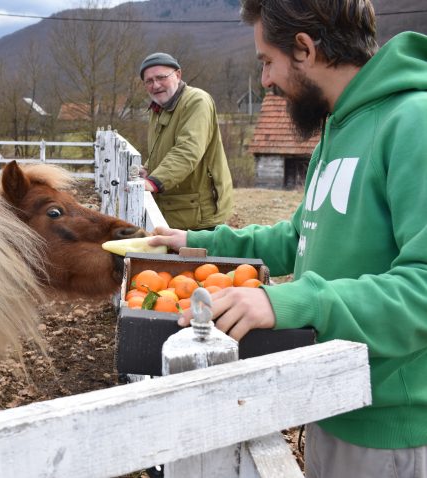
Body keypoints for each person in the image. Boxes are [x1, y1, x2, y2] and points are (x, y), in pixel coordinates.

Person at [149, 1, 427, 476]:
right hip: (329, 395)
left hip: (386, 427)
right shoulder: (336, 130)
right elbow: (298, 236)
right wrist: (196, 240)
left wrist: (295, 303)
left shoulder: (413, 122)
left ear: (304, 49)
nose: (265, 81)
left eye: (266, 61)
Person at [138, 52, 233, 231]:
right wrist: (148, 169)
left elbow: (188, 149)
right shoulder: (158, 109)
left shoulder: (197, 101)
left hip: (198, 214)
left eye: (161, 77)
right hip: (179, 209)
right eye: (149, 81)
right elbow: (161, 148)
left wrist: (154, 181)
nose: (155, 85)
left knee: (199, 260)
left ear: (178, 74)